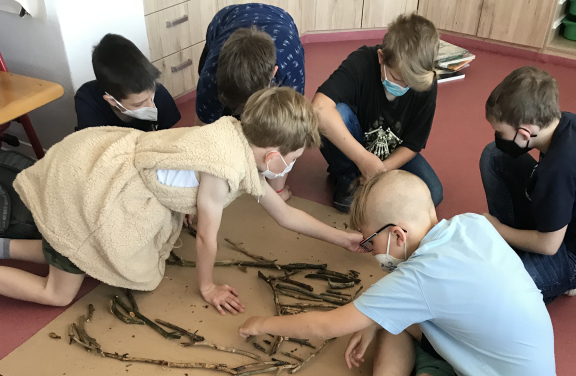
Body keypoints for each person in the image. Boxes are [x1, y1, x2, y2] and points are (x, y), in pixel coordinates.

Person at [239, 171, 556, 376]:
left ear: (397, 235)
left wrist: (262, 323)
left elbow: (325, 326)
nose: (372, 253)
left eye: (371, 243)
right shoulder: (469, 223)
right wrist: (372, 322)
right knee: (388, 317)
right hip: (502, 359)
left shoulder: (419, 279)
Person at [1, 88, 363, 315]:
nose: (293, 164)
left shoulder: (237, 136)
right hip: (99, 191)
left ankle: (5, 247)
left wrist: (341, 237)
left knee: (68, 255)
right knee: (58, 291)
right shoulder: (223, 170)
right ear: (272, 156)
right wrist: (207, 286)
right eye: (294, 158)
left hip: (111, 163)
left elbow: (284, 214)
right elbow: (206, 237)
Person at [312, 13, 442, 213]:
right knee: (338, 113)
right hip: (354, 147)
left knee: (432, 193)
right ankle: (347, 176)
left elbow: (413, 143)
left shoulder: (425, 82)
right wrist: (363, 159)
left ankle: (371, 183)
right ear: (382, 57)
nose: (403, 87)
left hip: (390, 154)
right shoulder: (362, 62)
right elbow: (318, 109)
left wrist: (382, 170)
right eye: (397, 78)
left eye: (411, 84)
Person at [480, 66, 576, 300]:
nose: (498, 136)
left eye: (500, 132)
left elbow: (549, 246)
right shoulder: (564, 122)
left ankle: (565, 278)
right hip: (560, 218)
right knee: (494, 155)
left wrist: (497, 229)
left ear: (524, 133)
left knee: (497, 291)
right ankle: (515, 246)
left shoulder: (557, 170)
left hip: (565, 249)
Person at [196, 4, 305, 200]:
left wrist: (277, 193)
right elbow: (203, 128)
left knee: (280, 123)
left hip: (281, 22)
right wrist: (198, 186)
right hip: (225, 20)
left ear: (273, 73)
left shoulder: (290, 68)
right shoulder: (211, 76)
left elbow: (289, 129)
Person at [75, 34, 181, 132]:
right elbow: (94, 143)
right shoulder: (88, 101)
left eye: (151, 96)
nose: (151, 105)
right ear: (112, 100)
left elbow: (173, 136)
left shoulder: (158, 92)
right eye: (139, 104)